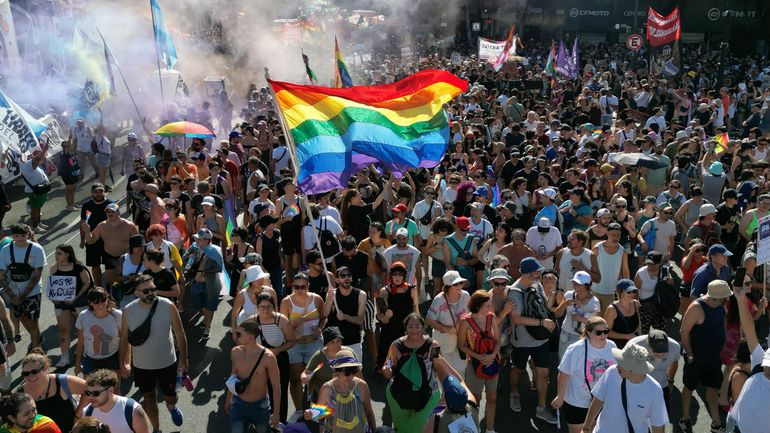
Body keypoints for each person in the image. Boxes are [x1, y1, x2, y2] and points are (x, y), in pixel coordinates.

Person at [119, 274, 187, 432]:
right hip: (142, 366)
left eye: (153, 289)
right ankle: (157, 428)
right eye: (146, 290)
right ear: (136, 293)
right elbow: (124, 339)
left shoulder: (168, 305)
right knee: (149, 397)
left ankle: (171, 406)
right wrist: (122, 362)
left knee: (171, 396)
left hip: (167, 362)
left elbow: (180, 333)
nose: (151, 293)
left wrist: (185, 359)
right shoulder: (128, 311)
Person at [507, 257, 558, 424]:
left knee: (543, 374)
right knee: (519, 370)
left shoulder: (537, 285)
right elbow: (517, 319)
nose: (540, 273)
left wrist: (552, 291)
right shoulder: (515, 292)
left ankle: (541, 408)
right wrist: (543, 323)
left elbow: (547, 307)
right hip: (522, 341)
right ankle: (514, 392)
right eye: (537, 271)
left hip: (540, 340)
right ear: (529, 273)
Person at [679, 279, 732, 433]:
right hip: (695, 358)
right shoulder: (697, 307)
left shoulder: (722, 307)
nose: (727, 299)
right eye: (725, 297)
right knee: (689, 388)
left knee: (713, 389)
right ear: (716, 297)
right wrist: (689, 354)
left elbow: (723, 327)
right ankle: (684, 418)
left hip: (714, 358)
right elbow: (683, 331)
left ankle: (716, 422)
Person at [582, 344, 668, 433]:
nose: (617, 366)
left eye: (621, 363)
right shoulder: (611, 372)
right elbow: (597, 401)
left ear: (632, 369)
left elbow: (658, 425)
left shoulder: (654, 390)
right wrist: (586, 428)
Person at [551, 317, 617, 433]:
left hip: (601, 402)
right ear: (588, 333)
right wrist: (560, 397)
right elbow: (564, 373)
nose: (604, 335)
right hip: (577, 402)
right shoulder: (576, 349)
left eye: (606, 331)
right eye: (599, 332)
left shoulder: (612, 346)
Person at [382, 313, 441, 433]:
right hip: (399, 393)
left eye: (417, 326)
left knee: (422, 429)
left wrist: (446, 390)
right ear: (405, 328)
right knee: (402, 429)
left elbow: (439, 368)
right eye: (410, 326)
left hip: (428, 394)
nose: (414, 330)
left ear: (424, 327)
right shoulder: (396, 345)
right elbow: (388, 364)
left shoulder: (433, 345)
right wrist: (386, 369)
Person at [727, 280, 770, 433]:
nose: (767, 366)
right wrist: (740, 299)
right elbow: (749, 328)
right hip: (737, 426)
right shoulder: (759, 362)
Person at [279, 272, 325, 415]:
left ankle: (316, 409)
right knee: (295, 378)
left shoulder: (316, 299)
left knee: (316, 377)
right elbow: (281, 326)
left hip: (314, 343)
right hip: (295, 346)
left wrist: (320, 329)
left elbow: (324, 318)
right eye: (296, 287)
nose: (299, 290)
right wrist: (292, 324)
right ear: (292, 287)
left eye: (303, 287)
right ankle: (299, 410)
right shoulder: (286, 302)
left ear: (308, 286)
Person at [226, 318, 281, 433]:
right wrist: (228, 399)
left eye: (239, 334)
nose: (235, 336)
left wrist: (276, 413)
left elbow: (276, 386)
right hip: (238, 404)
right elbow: (233, 376)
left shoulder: (268, 357)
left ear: (251, 336)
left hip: (259, 407)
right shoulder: (235, 352)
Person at [457, 290, 501, 433]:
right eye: (487, 305)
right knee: (475, 399)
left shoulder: (491, 318)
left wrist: (493, 355)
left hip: (492, 362)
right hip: (475, 364)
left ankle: (490, 429)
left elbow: (498, 341)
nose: (490, 308)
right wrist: (477, 356)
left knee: (492, 398)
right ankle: (473, 428)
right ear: (478, 306)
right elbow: (461, 345)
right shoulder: (465, 322)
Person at [303, 349, 376, 433]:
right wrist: (311, 413)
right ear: (337, 371)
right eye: (347, 372)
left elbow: (369, 412)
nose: (351, 375)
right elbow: (321, 415)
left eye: (353, 371)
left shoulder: (361, 386)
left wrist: (374, 430)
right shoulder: (327, 388)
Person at [0, 224, 46, 349]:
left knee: (33, 321)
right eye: (17, 236)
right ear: (12, 236)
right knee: (21, 316)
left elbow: (37, 275)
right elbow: (2, 275)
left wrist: (23, 295)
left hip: (33, 291)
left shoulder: (37, 249)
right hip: (14, 292)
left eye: (23, 236)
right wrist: (11, 295)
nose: (20, 239)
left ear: (28, 235)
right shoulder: (5, 250)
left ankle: (36, 350)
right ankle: (36, 337)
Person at [19, 350, 87, 433]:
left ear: (46, 368)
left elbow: (89, 390)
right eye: (25, 374)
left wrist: (78, 413)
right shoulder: (21, 393)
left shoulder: (62, 381)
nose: (30, 377)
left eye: (34, 372)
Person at [49, 245, 93, 368]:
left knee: (83, 329)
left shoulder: (78, 267)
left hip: (79, 302)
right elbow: (53, 286)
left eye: (59, 254)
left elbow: (87, 282)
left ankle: (84, 353)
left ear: (68, 254)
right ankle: (64, 357)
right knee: (63, 330)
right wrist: (54, 298)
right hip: (62, 303)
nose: (56, 256)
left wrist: (76, 297)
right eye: (56, 253)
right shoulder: (54, 268)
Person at [253, 292, 293, 423]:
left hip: (279, 360)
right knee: (260, 390)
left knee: (279, 390)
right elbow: (243, 341)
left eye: (268, 307)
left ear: (274, 307)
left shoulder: (281, 320)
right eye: (262, 307)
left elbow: (292, 341)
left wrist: (278, 350)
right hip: (259, 361)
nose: (265, 310)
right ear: (257, 307)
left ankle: (280, 421)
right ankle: (264, 419)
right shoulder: (251, 322)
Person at [81, 203, 139, 287]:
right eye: (108, 212)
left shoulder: (129, 225)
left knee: (129, 280)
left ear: (118, 212)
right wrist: (87, 231)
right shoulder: (102, 226)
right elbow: (91, 241)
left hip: (126, 258)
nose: (110, 214)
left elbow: (137, 242)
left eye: (112, 212)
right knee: (112, 281)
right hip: (109, 257)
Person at [375, 262, 419, 371]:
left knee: (407, 366)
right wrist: (387, 317)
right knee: (387, 368)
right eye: (395, 274)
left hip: (406, 332)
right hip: (389, 332)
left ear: (404, 276)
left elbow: (416, 311)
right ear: (391, 276)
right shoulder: (384, 292)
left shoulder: (412, 290)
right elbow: (380, 318)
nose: (397, 277)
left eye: (400, 274)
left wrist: (418, 330)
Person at [426, 271, 470, 375]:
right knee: (444, 371)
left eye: (461, 283)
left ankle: (459, 391)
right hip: (443, 341)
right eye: (455, 284)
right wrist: (447, 329)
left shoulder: (466, 296)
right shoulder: (439, 299)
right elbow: (428, 320)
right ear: (448, 286)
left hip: (461, 340)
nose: (459, 286)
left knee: (461, 370)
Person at [628, 330, 680, 417]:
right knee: (637, 415)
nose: (660, 357)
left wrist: (670, 381)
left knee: (662, 415)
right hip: (639, 385)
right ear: (648, 345)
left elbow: (674, 363)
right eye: (657, 353)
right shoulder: (634, 345)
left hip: (661, 385)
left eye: (663, 353)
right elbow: (626, 367)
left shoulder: (675, 347)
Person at [82, 369, 151, 433]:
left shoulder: (132, 410)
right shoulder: (87, 412)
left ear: (110, 390)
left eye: (95, 393)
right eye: (88, 393)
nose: (91, 397)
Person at [185, 228, 224, 341]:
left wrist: (205, 270)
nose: (197, 240)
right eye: (196, 238)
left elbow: (219, 268)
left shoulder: (215, 251)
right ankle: (206, 318)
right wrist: (189, 258)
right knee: (198, 305)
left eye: (200, 239)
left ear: (207, 240)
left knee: (210, 307)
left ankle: (207, 327)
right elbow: (186, 255)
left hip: (210, 285)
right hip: (196, 283)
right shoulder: (195, 247)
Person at [75, 288, 122, 377]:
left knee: (114, 389)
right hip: (90, 359)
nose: (100, 304)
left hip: (113, 358)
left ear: (107, 299)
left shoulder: (118, 315)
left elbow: (124, 339)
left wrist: (125, 362)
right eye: (96, 302)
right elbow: (81, 341)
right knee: (90, 389)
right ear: (90, 302)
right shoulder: (83, 316)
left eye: (103, 300)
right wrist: (77, 364)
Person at [323, 267, 366, 361]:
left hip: (353, 341)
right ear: (337, 280)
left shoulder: (361, 294)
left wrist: (345, 317)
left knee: (356, 372)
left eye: (349, 275)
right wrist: (329, 299)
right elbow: (325, 313)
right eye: (343, 276)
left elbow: (360, 320)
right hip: (334, 343)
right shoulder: (332, 294)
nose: (347, 278)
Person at [554, 271, 600, 358]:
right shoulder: (568, 295)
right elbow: (557, 314)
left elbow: (597, 324)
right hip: (566, 334)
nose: (575, 285)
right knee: (563, 365)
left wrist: (581, 319)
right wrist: (565, 304)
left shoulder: (595, 302)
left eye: (579, 284)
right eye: (574, 283)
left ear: (587, 285)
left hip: (583, 338)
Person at [591, 223, 629, 316]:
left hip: (612, 292)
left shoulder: (622, 251)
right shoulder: (597, 248)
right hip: (595, 290)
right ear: (607, 233)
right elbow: (589, 267)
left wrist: (626, 289)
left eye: (618, 235)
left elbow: (625, 271)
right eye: (613, 235)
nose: (616, 237)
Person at [80, 184, 114, 287]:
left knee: (110, 265)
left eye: (101, 191)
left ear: (104, 192)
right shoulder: (86, 205)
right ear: (92, 193)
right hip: (92, 239)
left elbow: (117, 221)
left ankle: (112, 286)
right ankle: (99, 286)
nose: (98, 194)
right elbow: (83, 223)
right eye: (96, 192)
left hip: (108, 239)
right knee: (95, 264)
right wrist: (82, 240)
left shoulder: (111, 204)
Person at [301, 327, 345, 405]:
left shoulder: (347, 354)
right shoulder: (318, 356)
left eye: (338, 341)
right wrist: (304, 377)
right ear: (326, 344)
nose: (336, 345)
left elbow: (357, 375)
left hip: (343, 398)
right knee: (318, 416)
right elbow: (305, 373)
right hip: (322, 398)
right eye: (332, 342)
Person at [605, 280, 642, 350]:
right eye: (629, 292)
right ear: (620, 292)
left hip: (633, 345)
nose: (632, 294)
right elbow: (607, 332)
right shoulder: (612, 309)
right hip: (616, 347)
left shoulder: (636, 304)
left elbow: (639, 325)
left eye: (634, 291)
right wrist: (627, 336)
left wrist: (640, 339)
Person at [20, 150, 50, 233]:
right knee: (35, 209)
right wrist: (44, 149)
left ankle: (38, 223)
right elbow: (37, 159)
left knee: (38, 208)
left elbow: (38, 160)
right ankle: (35, 227)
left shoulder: (30, 164)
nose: (31, 156)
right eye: (29, 155)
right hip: (34, 191)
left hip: (39, 190)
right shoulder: (26, 165)